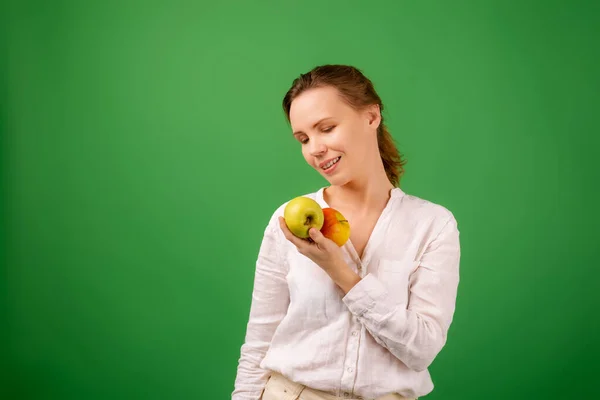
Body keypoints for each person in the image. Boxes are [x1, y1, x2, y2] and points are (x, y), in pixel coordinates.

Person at [232, 64, 461, 400]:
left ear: (371, 117)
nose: (315, 149)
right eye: (304, 139)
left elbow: (422, 349)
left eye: (327, 128)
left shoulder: (431, 225)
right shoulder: (286, 220)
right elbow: (259, 342)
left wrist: (340, 272)